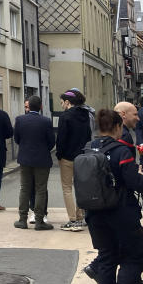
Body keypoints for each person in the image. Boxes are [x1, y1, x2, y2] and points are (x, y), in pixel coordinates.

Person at [82, 109, 143, 284]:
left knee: (107, 258)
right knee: (133, 258)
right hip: (121, 212)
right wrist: (142, 176)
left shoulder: (88, 149)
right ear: (117, 127)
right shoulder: (121, 151)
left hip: (94, 213)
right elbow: (134, 182)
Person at [13, 95, 55, 230]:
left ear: (28, 107)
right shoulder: (46, 121)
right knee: (40, 189)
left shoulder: (20, 120)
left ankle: (22, 219)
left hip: (25, 159)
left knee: (24, 188)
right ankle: (39, 220)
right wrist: (43, 149)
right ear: (41, 107)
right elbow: (51, 142)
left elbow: (17, 139)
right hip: (42, 159)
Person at [56, 89, 92, 232]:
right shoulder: (86, 115)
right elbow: (89, 136)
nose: (61, 106)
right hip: (82, 156)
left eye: (62, 103)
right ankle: (80, 216)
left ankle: (72, 220)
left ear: (67, 102)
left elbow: (61, 138)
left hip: (68, 157)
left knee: (67, 188)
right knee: (80, 187)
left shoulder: (65, 117)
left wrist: (59, 154)